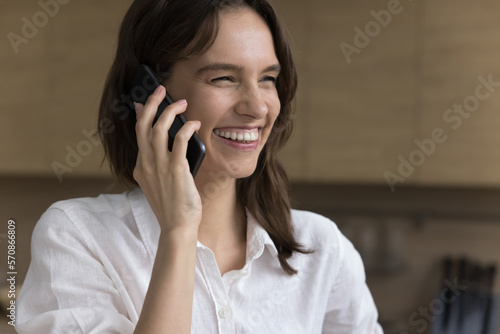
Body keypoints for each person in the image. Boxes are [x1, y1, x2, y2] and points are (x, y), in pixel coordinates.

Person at [16, 0, 383, 333]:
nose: (257, 107)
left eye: (268, 79)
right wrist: (178, 232)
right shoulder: (77, 236)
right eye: (223, 78)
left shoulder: (322, 249)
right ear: (150, 95)